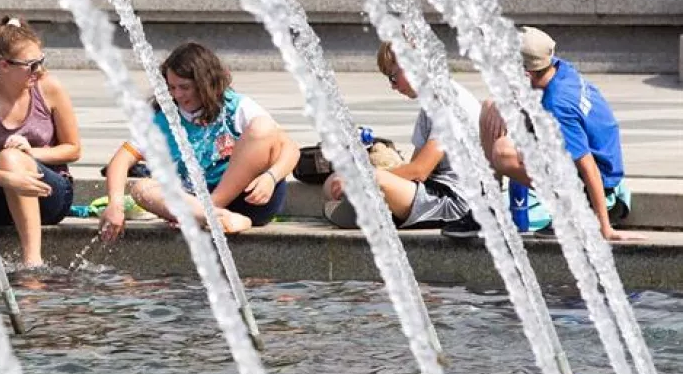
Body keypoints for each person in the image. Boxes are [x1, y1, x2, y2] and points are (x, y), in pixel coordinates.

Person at [99, 41, 297, 243]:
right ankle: (213, 216)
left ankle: (211, 212)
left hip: (250, 199)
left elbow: (290, 149)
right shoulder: (163, 119)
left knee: (262, 127)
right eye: (172, 87)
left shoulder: (236, 106)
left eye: (184, 87)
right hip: (195, 204)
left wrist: (271, 177)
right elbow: (121, 160)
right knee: (141, 190)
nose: (177, 95)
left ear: (205, 83)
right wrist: (115, 205)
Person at [470, 26, 630, 241]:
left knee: (503, 153)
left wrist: (604, 228)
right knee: (491, 106)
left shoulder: (557, 105)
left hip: (598, 186)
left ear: (525, 73)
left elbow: (588, 166)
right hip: (579, 168)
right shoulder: (560, 69)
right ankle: (490, 208)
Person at [0, 16, 80, 268]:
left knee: (11, 157)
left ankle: (33, 262)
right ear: (4, 65)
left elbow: (74, 149)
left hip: (48, 192)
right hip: (2, 190)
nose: (40, 70)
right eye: (31, 65)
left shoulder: (49, 88)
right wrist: (8, 179)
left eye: (41, 62)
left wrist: (31, 154)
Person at [322, 41, 481, 231]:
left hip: (456, 202)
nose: (393, 86)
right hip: (432, 189)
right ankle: (372, 208)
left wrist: (364, 179)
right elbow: (415, 172)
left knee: (373, 179)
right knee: (335, 179)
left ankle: (372, 210)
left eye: (393, 77)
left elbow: (419, 170)